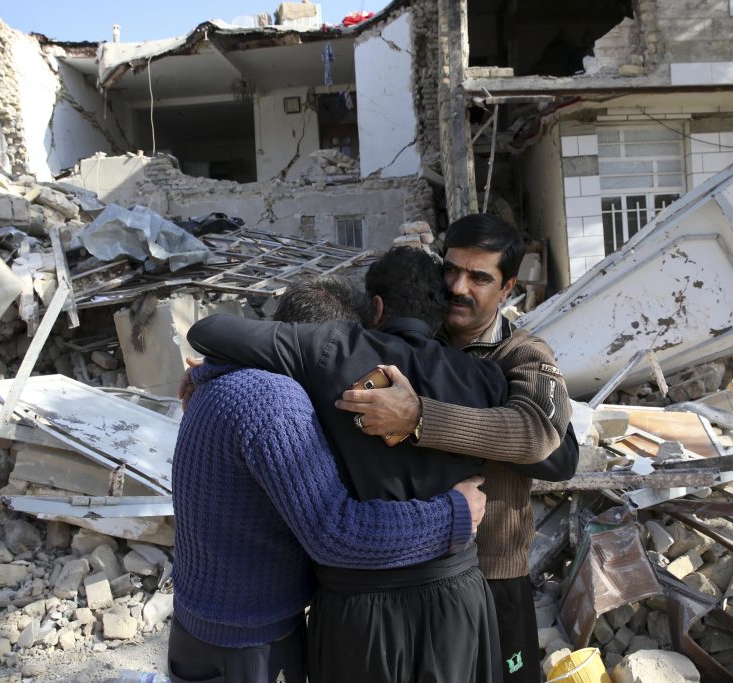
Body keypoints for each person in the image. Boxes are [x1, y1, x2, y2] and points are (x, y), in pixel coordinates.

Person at [186, 249, 511, 683]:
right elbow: (554, 454)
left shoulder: (330, 353)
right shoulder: (487, 378)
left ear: (376, 307)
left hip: (357, 610)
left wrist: (211, 369)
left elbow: (208, 330)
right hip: (458, 597)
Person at [337, 214, 574, 683]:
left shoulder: (523, 354)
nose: (459, 288)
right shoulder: (412, 340)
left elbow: (538, 434)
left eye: (479, 278)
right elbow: (321, 345)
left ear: (507, 288)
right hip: (415, 568)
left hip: (493, 572)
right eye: (451, 270)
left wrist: (420, 418)